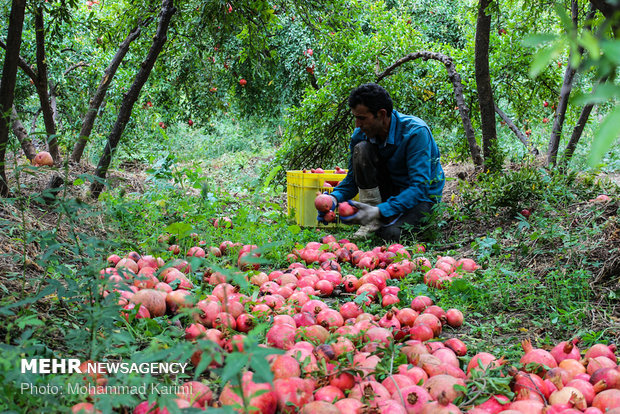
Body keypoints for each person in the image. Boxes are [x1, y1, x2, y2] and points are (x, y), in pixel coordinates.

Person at [317, 83, 445, 242]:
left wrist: (379, 211)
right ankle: (376, 220)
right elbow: (352, 180)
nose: (357, 124)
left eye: (362, 118)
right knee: (362, 149)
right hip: (390, 191)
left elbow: (419, 187)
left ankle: (382, 220)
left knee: (391, 235)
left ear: (382, 114)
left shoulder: (415, 133)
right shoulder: (360, 134)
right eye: (356, 118)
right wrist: (333, 199)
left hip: (420, 198)